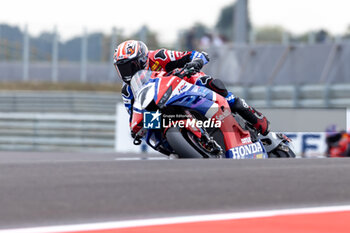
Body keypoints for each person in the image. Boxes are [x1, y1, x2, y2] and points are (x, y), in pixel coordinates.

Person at [113, 40, 270, 137]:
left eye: (130, 66)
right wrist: (138, 128)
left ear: (142, 60)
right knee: (151, 133)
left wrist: (196, 62)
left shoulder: (159, 56)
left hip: (184, 85)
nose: (127, 73)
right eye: (122, 69)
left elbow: (194, 55)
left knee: (210, 84)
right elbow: (133, 117)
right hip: (162, 110)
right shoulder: (128, 91)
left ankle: (254, 118)